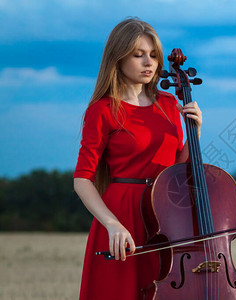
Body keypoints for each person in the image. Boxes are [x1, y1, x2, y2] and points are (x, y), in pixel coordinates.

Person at [73, 17, 202, 299]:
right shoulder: (103, 110)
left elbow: (178, 171)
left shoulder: (169, 104)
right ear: (118, 58)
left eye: (154, 55)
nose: (149, 63)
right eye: (138, 54)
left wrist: (196, 133)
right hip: (123, 213)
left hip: (165, 215)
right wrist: (111, 223)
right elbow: (82, 179)